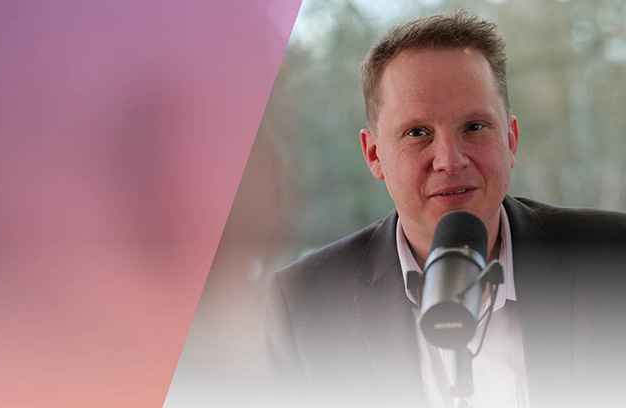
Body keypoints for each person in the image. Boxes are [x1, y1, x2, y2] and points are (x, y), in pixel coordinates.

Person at [266, 11, 626, 408]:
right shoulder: (303, 305)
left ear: (510, 140)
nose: (450, 161)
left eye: (474, 127)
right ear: (374, 154)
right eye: (417, 133)